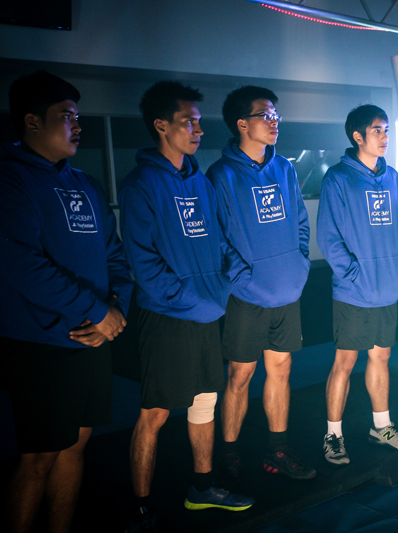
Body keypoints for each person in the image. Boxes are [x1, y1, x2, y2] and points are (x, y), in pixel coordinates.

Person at [0, 71, 133, 533]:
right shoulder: (6, 180)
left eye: (78, 117)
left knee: (75, 447)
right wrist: (98, 312)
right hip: (38, 343)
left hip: (92, 339)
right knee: (39, 458)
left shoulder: (86, 184)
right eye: (67, 116)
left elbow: (115, 256)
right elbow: (24, 266)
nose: (78, 126)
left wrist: (115, 307)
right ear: (32, 121)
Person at [119, 81, 254, 532]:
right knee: (155, 414)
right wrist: (193, 300)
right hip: (166, 318)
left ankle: (202, 488)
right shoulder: (141, 183)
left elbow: (220, 241)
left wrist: (224, 285)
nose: (198, 130)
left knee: (204, 404)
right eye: (188, 122)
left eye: (199, 122)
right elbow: (143, 264)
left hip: (207, 314)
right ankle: (141, 507)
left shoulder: (200, 180)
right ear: (161, 126)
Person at [206, 86, 315, 480]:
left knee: (281, 370)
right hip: (247, 295)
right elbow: (217, 237)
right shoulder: (220, 175)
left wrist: (299, 265)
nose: (274, 122)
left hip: (287, 288)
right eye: (265, 115)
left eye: (275, 116)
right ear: (242, 123)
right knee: (239, 375)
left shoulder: (284, 167)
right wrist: (242, 278)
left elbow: (300, 221)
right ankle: (229, 454)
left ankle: (278, 450)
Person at [316, 104, 398, 466]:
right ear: (358, 136)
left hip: (387, 286)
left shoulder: (393, 178)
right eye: (377, 130)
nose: (385, 137)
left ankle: (382, 427)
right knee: (344, 361)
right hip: (354, 291)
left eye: (386, 129)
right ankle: (333, 435)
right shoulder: (338, 178)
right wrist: (353, 275)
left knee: (381, 356)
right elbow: (328, 237)